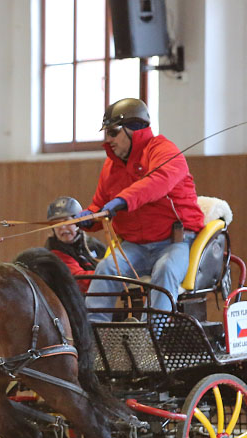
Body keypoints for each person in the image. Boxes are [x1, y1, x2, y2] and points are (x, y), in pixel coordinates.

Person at [76, 98, 204, 322]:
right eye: (106, 133)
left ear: (134, 129)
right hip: (135, 246)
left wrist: (122, 201)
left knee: (165, 269)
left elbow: (158, 181)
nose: (108, 140)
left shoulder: (164, 150)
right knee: (106, 268)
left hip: (175, 243)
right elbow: (101, 205)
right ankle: (93, 337)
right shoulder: (111, 165)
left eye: (113, 132)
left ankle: (150, 338)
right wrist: (90, 217)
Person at [44, 196, 105, 295]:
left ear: (78, 222)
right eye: (56, 223)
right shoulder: (53, 253)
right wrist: (107, 273)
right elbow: (79, 280)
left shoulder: (93, 245)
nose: (62, 227)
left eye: (67, 221)